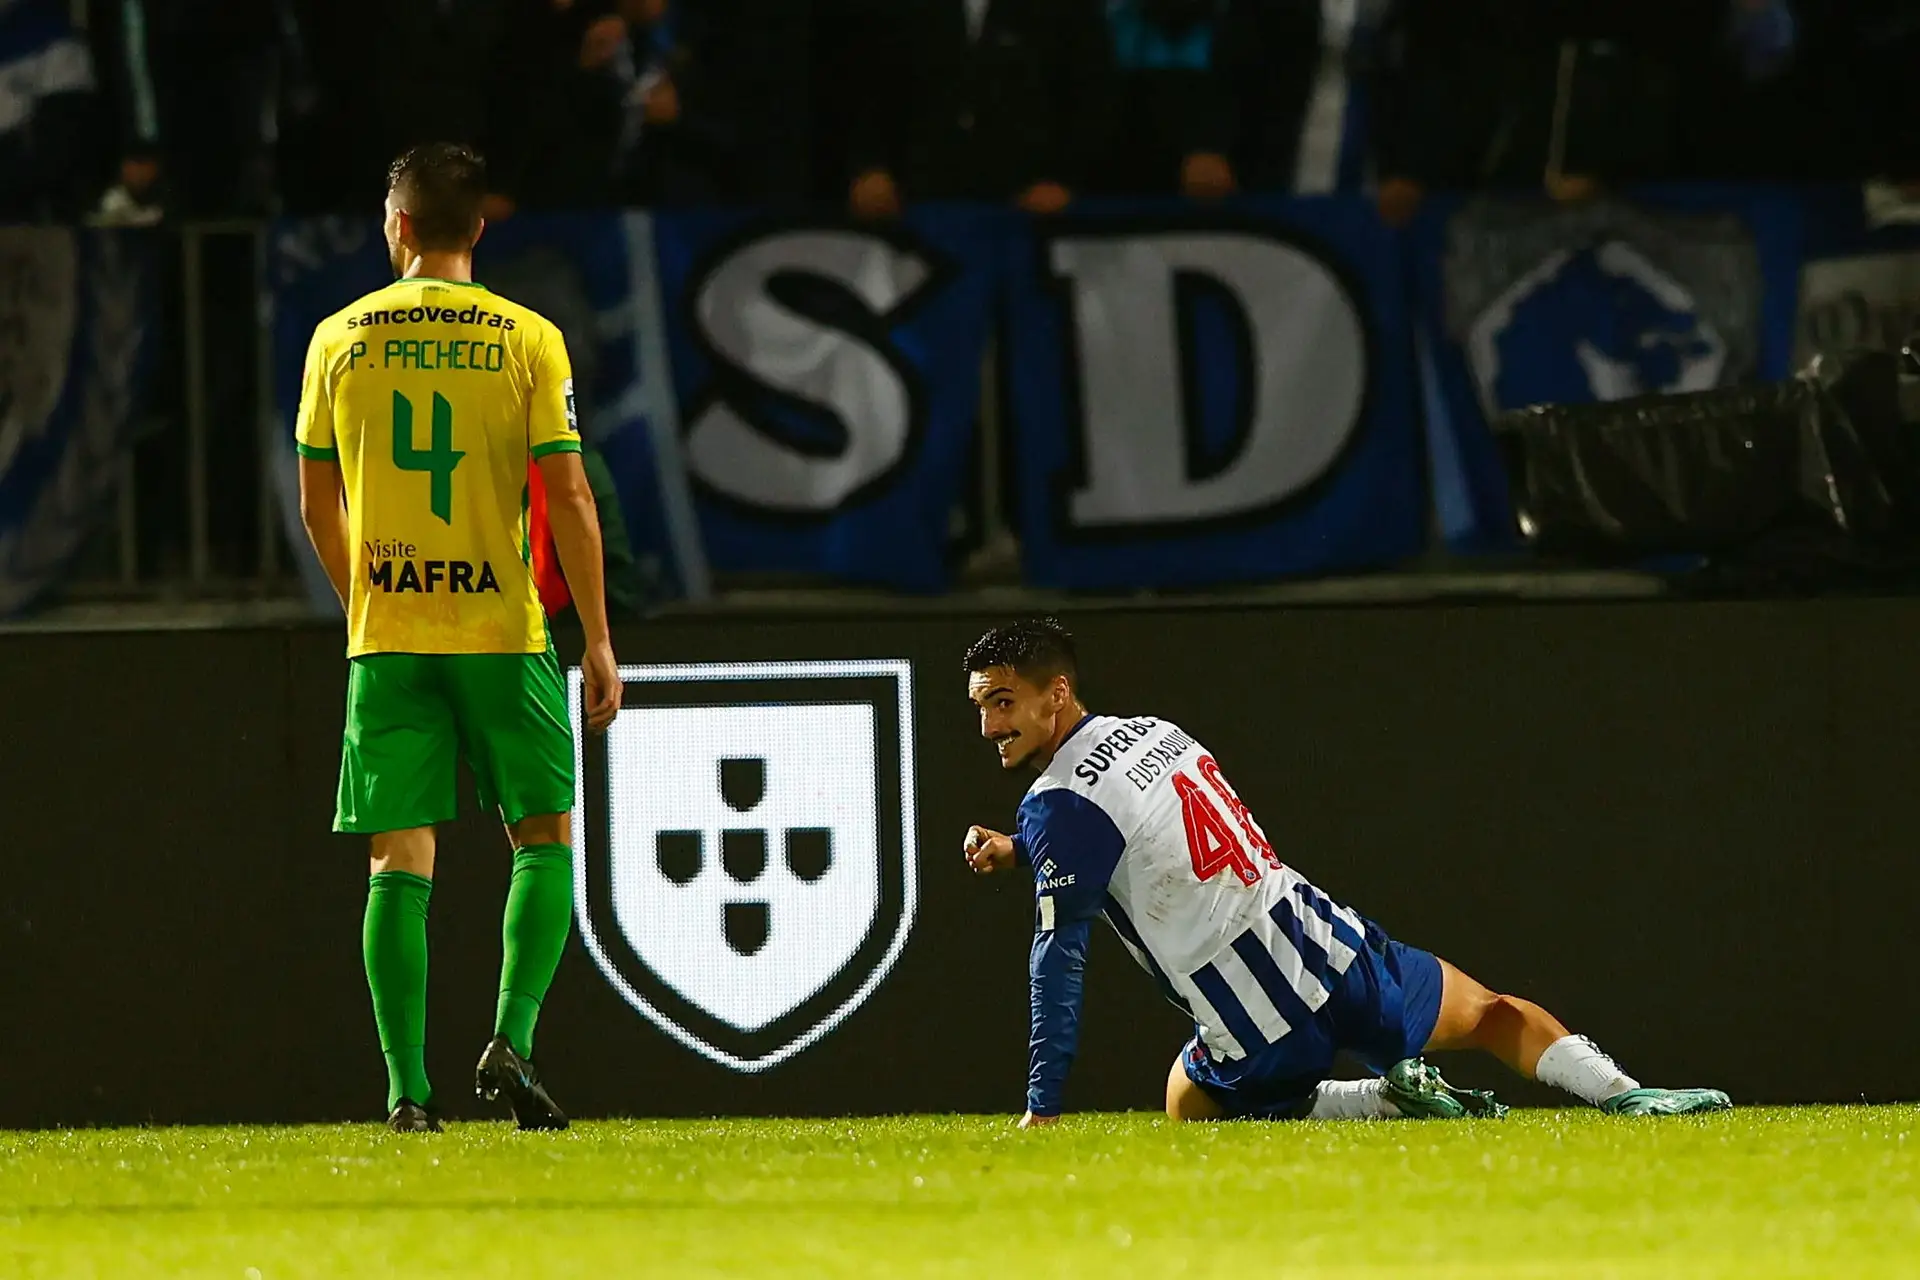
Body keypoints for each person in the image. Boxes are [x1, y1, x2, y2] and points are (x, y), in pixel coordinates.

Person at [960, 618, 1732, 1125]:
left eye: (1004, 702)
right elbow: (1145, 828)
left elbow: (1057, 957)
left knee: (1187, 1101)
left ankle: (1388, 1104)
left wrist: (1043, 1103)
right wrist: (1019, 849)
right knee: (1491, 1012)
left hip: (1250, 1006)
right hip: (1326, 938)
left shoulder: (1057, 803)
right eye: (981, 708)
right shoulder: (1153, 732)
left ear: (1056, 692)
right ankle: (1628, 1095)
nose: (990, 726)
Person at [295, 142, 622, 1134]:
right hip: (501, 626)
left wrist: (368, 601)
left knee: (397, 858)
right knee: (544, 832)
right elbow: (567, 491)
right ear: (478, 227)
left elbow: (318, 504)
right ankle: (511, 1041)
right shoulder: (529, 339)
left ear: (394, 226)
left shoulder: (336, 339)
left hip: (389, 633)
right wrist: (597, 638)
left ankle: (405, 1091)